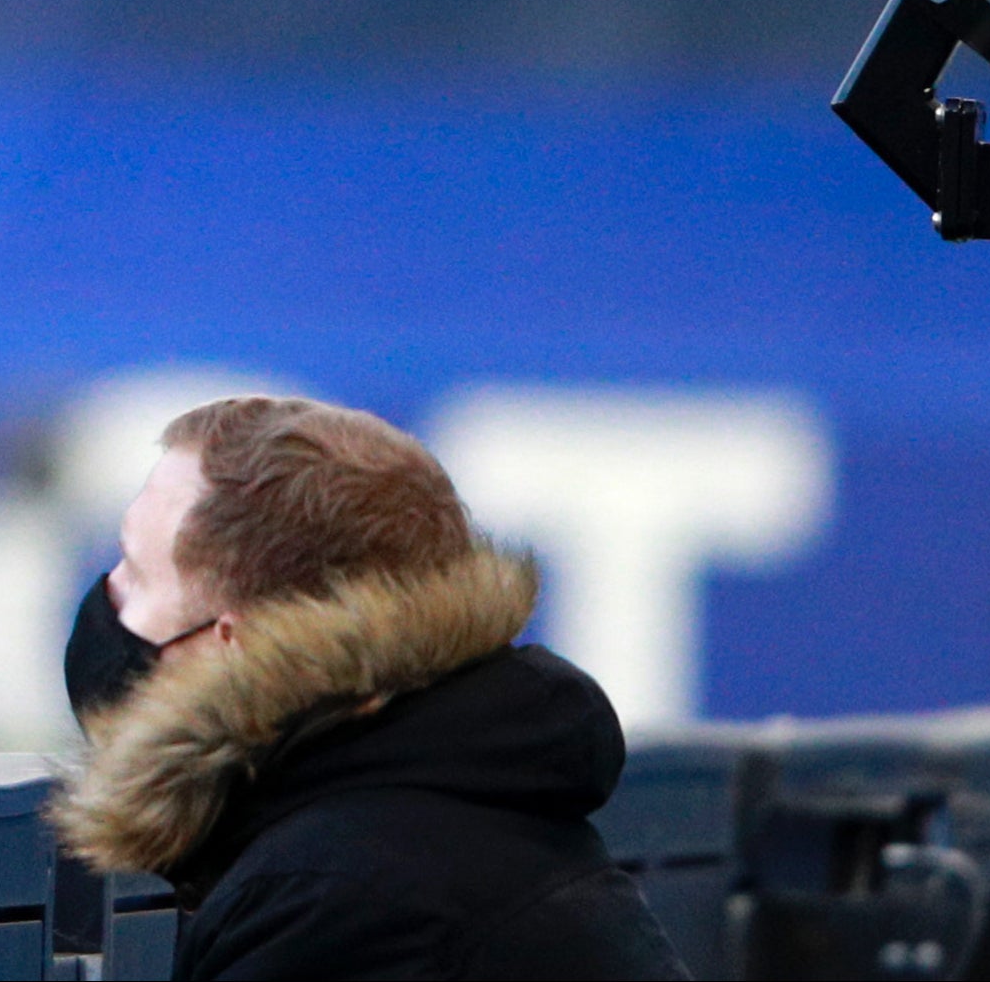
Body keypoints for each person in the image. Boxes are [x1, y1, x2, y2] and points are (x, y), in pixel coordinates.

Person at [53, 396, 687, 980]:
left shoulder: (335, 903)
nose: (109, 597)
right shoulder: (455, 821)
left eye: (135, 573)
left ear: (232, 644)